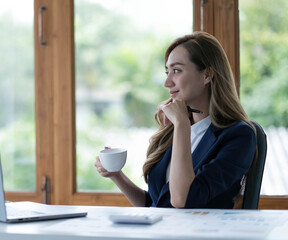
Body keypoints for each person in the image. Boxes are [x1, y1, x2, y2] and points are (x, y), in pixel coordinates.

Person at [94, 32, 257, 209]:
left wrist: (181, 124)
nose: (167, 82)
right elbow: (156, 205)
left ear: (207, 75)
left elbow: (181, 200)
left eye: (177, 71)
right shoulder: (172, 130)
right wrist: (117, 176)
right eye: (167, 72)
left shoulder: (239, 136)